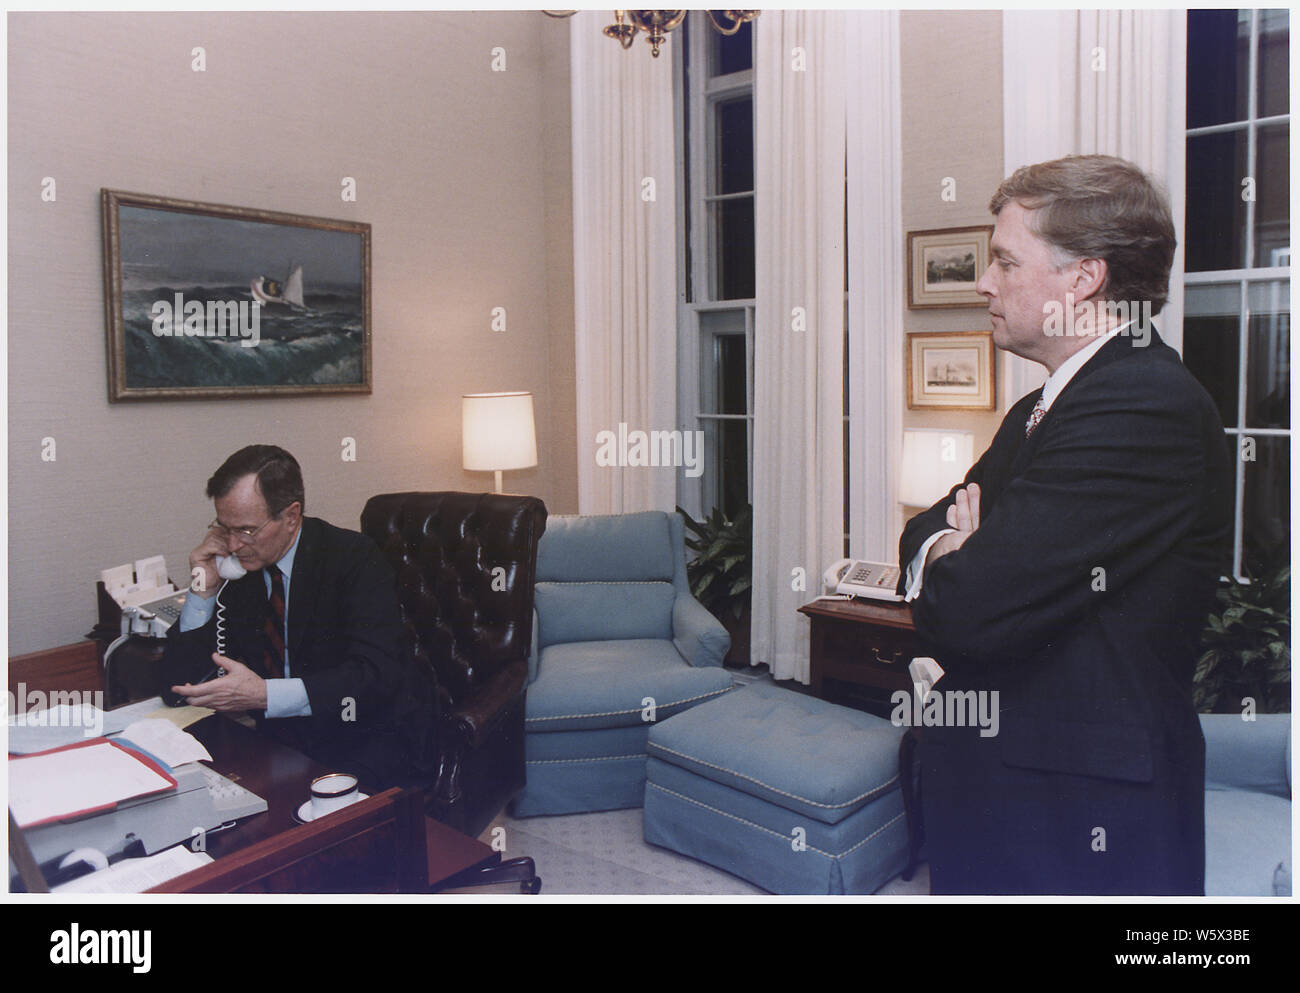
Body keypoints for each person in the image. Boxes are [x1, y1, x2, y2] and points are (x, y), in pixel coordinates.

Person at [897, 155, 1231, 895]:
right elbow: (923, 529)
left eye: (1005, 260)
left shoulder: (1144, 402)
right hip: (1009, 795)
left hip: (1077, 820)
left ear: (1083, 280)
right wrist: (952, 543)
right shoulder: (1042, 406)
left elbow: (969, 608)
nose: (984, 282)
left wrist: (964, 554)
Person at [164, 444, 435, 792]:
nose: (232, 545)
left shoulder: (354, 559)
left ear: (291, 517)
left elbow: (374, 677)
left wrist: (265, 695)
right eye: (223, 527)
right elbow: (176, 686)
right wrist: (202, 591)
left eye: (246, 529)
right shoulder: (241, 572)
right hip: (282, 742)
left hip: (368, 738)